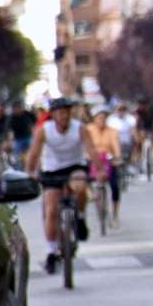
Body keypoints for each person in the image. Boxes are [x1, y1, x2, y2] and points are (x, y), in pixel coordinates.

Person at [26, 97, 97, 273]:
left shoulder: (79, 128)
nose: (64, 115)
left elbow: (91, 150)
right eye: (60, 112)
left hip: (75, 166)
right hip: (52, 170)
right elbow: (33, 154)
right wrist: (30, 173)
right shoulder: (44, 130)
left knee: (80, 184)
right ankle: (51, 251)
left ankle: (79, 216)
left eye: (66, 111)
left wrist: (100, 170)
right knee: (51, 209)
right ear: (53, 115)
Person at [85, 106, 123, 228]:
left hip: (108, 161)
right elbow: (84, 145)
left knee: (115, 186)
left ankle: (115, 215)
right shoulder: (88, 130)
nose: (101, 120)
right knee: (82, 173)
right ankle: (89, 191)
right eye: (99, 118)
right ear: (94, 119)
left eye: (103, 118)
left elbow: (116, 146)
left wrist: (117, 157)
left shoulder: (112, 131)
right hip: (93, 160)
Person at [107, 102, 138, 169]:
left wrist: (135, 138)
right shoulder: (110, 120)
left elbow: (133, 130)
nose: (121, 111)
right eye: (119, 109)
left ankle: (131, 162)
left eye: (123, 109)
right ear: (115, 110)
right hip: (114, 143)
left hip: (127, 142)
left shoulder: (130, 119)